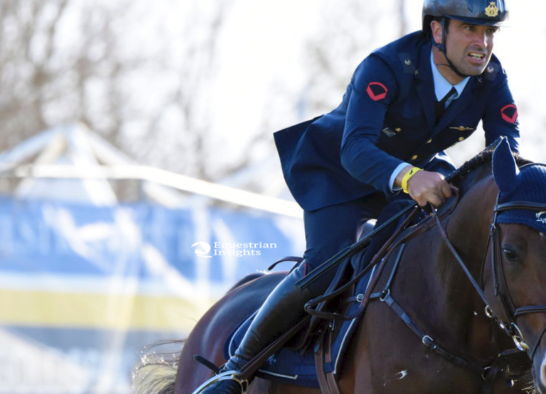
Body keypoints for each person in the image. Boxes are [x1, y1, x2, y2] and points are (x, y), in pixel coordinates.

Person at [198, 1, 519, 392]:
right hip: (339, 172)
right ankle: (235, 369)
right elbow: (355, 149)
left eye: (489, 32)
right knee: (326, 267)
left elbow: (505, 156)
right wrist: (409, 177)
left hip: (414, 172)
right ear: (437, 31)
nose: (482, 43)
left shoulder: (492, 78)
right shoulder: (386, 66)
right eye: (470, 29)